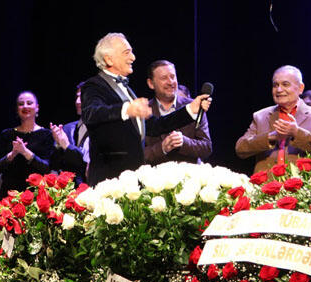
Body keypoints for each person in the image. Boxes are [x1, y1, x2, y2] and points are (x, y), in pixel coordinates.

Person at [81, 33, 211, 185]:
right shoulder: (94, 85)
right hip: (110, 178)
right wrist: (127, 109)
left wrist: (190, 110)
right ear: (109, 59)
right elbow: (91, 113)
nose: (133, 57)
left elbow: (155, 126)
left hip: (131, 179)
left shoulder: (127, 90)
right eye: (127, 52)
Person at [235, 65, 311, 173]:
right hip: (267, 182)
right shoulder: (261, 116)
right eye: (275, 85)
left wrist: (297, 132)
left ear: (300, 88)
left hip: (303, 182)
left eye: (285, 84)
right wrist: (271, 137)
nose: (279, 90)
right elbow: (241, 148)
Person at [144, 60, 212, 166]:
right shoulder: (143, 111)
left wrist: (184, 142)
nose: (170, 82)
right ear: (151, 83)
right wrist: (162, 148)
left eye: (173, 77)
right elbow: (138, 154)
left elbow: (207, 148)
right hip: (156, 174)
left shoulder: (194, 106)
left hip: (190, 173)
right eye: (164, 78)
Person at [0, 91, 55, 195]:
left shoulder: (47, 134)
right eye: (21, 104)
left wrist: (25, 152)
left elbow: (47, 168)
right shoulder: (7, 134)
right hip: (11, 193)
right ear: (17, 109)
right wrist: (12, 154)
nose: (25, 106)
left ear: (37, 107)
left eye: (29, 103)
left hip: (38, 194)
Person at [50, 82, 89, 183]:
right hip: (68, 189)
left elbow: (88, 163)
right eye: (77, 97)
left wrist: (67, 145)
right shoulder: (67, 128)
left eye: (82, 97)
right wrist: (58, 144)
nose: (77, 101)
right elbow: (54, 164)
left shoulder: (100, 129)